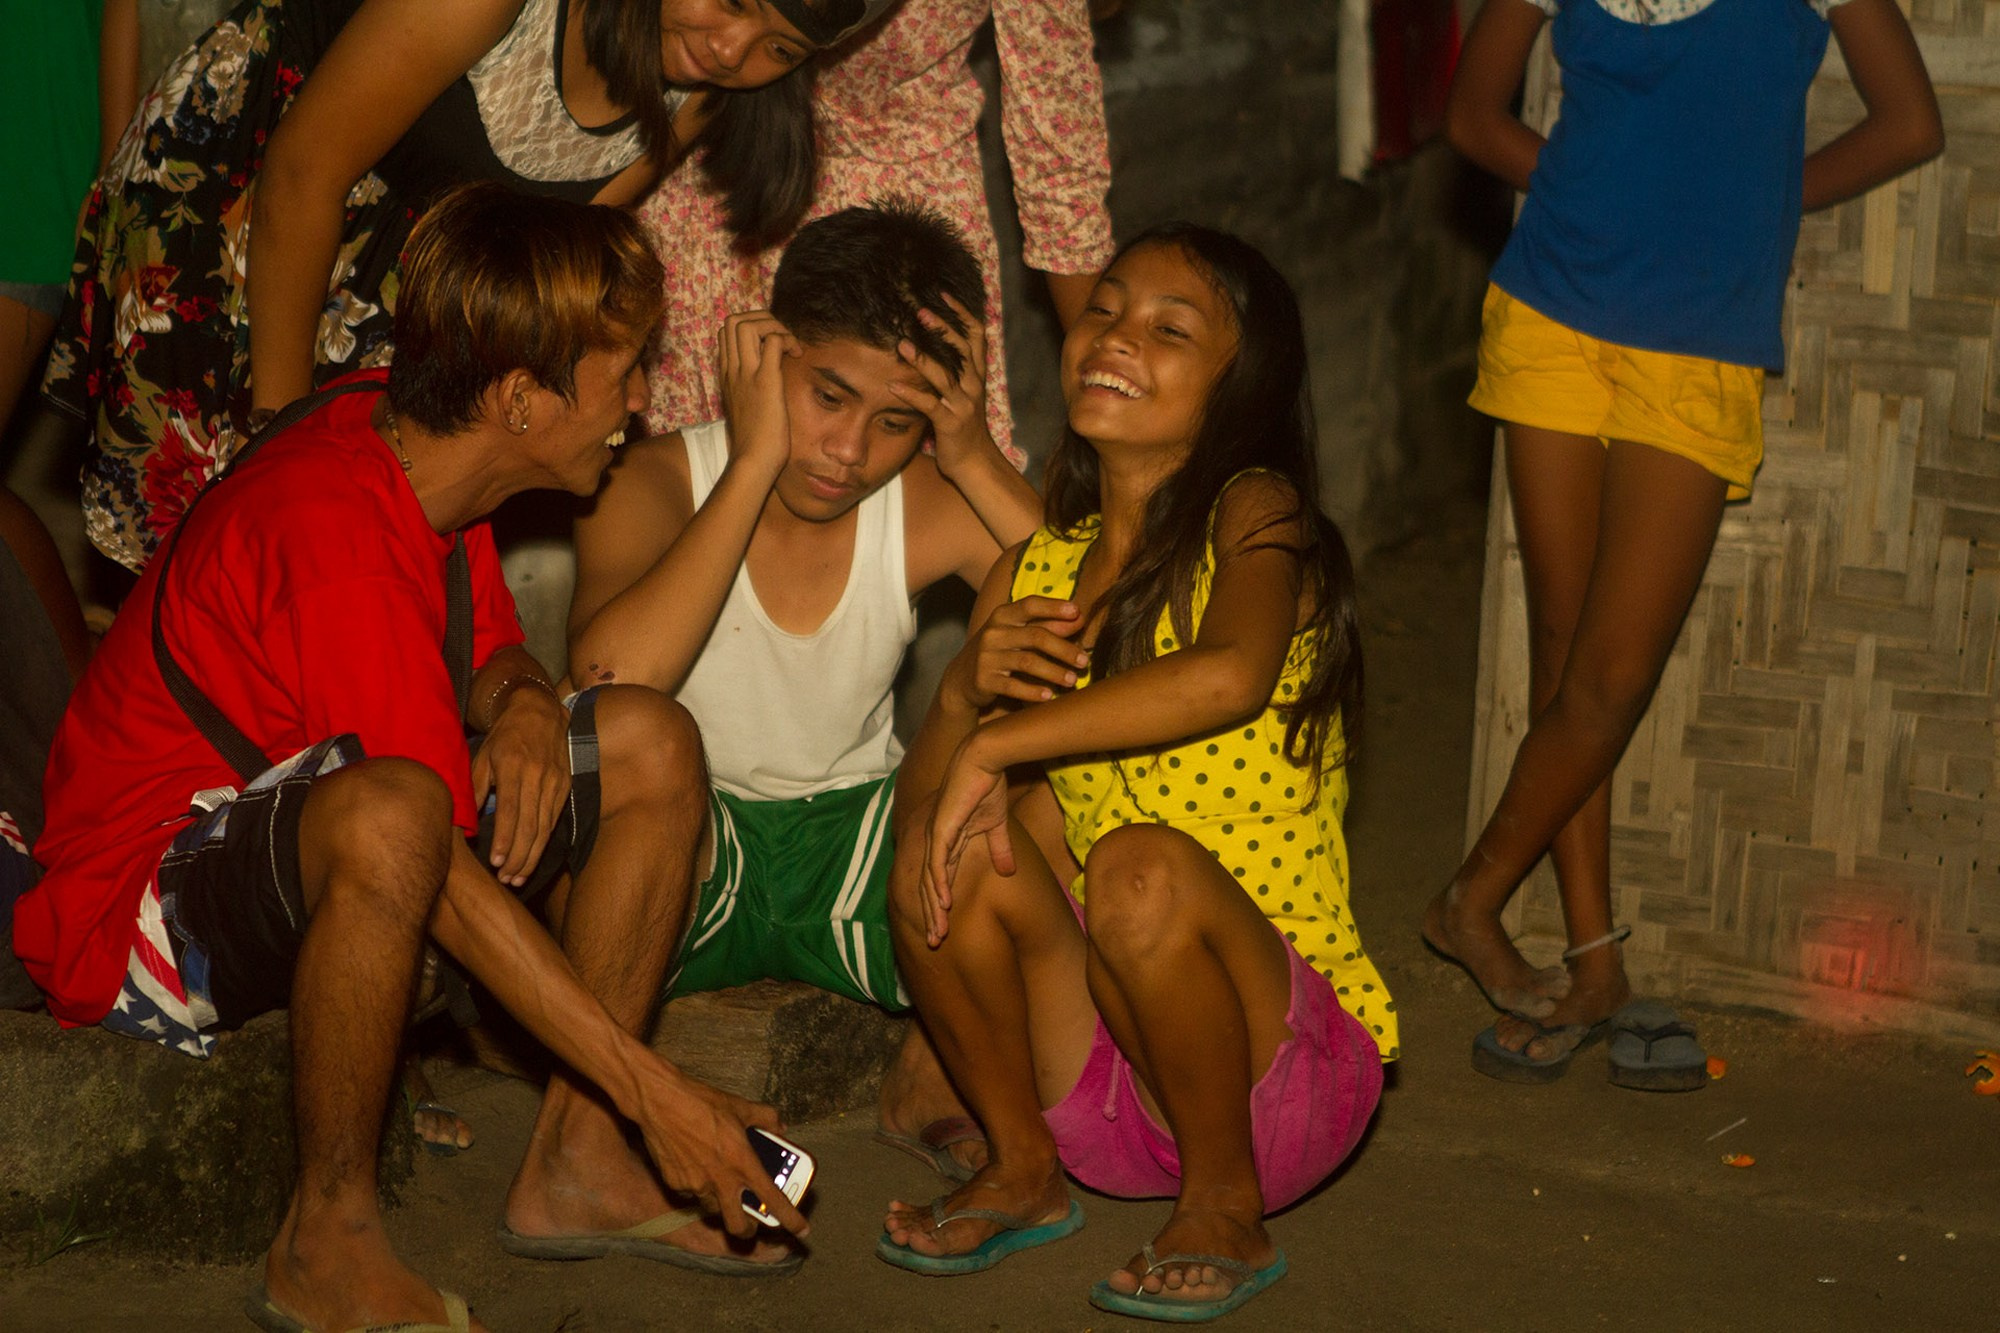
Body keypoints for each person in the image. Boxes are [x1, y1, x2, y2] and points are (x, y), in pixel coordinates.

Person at [16, 186, 813, 1333]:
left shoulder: (422, 453)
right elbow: (427, 859)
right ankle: (323, 1239)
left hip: (306, 821)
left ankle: (576, 1159)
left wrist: (529, 697)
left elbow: (481, 647)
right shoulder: (332, 528)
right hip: (137, 903)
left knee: (644, 737)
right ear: (524, 400)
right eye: (625, 372)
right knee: (394, 811)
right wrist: (665, 1096)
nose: (640, 404)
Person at [874, 224, 1394, 1323]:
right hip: (1106, 1094)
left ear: (1237, 382)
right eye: (1102, 309)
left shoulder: (1254, 515)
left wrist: (1001, 740)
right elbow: (929, 805)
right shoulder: (1036, 566)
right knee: (949, 844)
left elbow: (1229, 676)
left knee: (1138, 866)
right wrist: (967, 694)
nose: (1114, 337)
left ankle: (1220, 1206)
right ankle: (1021, 1166)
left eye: (1170, 329)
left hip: (1277, 1079)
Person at [1424, 0, 1943, 1087]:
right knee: (1563, 654)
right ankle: (1594, 960)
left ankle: (1469, 895)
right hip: (1549, 310)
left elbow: (1907, 124)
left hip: (1696, 340)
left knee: (1608, 677)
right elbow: (1472, 116)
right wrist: (1584, 189)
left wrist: (1745, 205)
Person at [44, 0, 896, 574]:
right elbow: (304, 174)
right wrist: (281, 435)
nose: (731, 50)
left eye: (779, 49)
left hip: (400, 278)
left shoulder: (690, 99)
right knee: (211, 531)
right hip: (244, 204)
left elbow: (512, 283)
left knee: (340, 555)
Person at [567, 200, 1042, 1175]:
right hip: (690, 853)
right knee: (622, 754)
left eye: (896, 422)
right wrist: (751, 462)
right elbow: (609, 681)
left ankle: (926, 1068)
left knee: (1048, 801)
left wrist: (969, 455)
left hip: (857, 845)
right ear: (767, 354)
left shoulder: (913, 500)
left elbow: (1095, 611)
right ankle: (591, 1117)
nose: (847, 451)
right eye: (826, 396)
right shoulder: (654, 480)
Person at [636, 0, 1115, 463]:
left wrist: (1107, 382)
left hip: (897, 212)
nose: (733, 46)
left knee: (895, 474)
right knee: (706, 473)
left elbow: (1059, 155)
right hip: (713, 184)